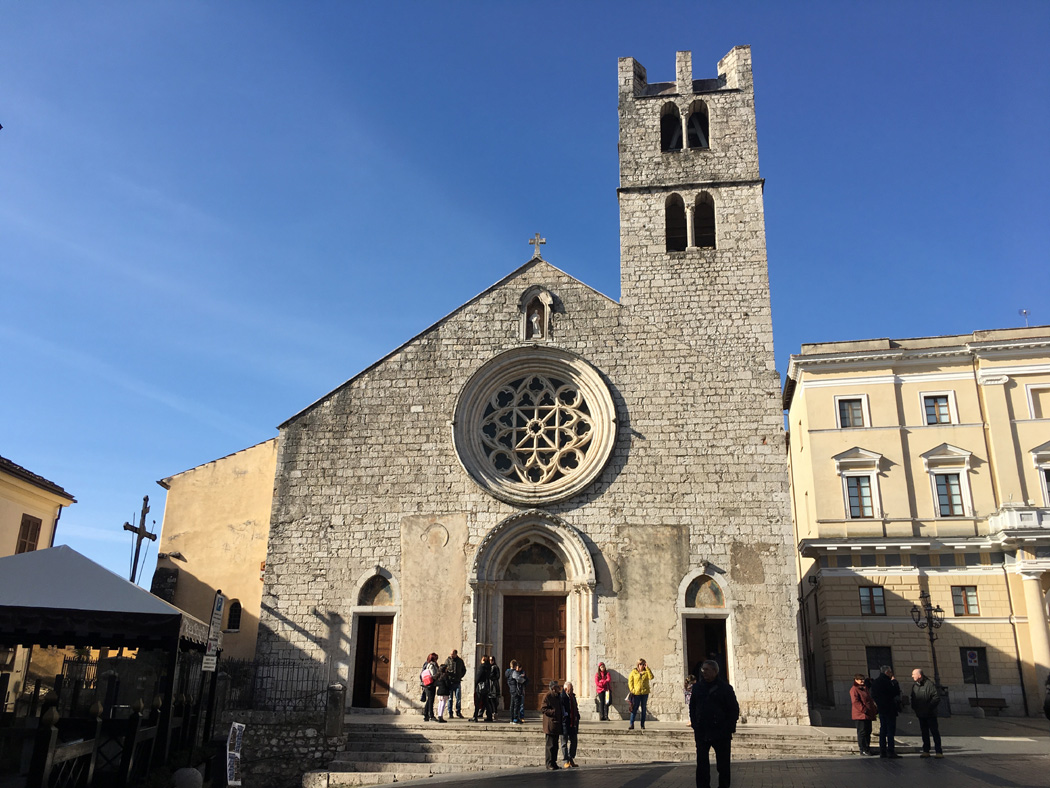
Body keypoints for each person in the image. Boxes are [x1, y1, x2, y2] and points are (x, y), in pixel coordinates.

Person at [689, 660, 739, 788]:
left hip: (721, 731)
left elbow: (733, 709)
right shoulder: (698, 687)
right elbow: (692, 707)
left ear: (715, 671)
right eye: (703, 669)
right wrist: (695, 724)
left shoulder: (725, 688)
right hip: (702, 731)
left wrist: (729, 728)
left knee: (723, 765)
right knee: (702, 764)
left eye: (707, 669)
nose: (704, 672)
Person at [870, 665, 901, 758]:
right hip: (890, 708)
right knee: (890, 731)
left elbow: (873, 695)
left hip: (881, 709)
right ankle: (891, 751)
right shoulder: (888, 682)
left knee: (883, 730)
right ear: (887, 672)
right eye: (890, 672)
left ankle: (882, 751)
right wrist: (895, 682)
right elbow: (895, 692)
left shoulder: (875, 682)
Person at [910, 668, 943, 758]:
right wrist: (915, 708)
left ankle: (938, 751)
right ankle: (926, 750)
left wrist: (929, 708)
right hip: (921, 714)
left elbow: (936, 698)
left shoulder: (929, 685)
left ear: (919, 676)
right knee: (924, 732)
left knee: (934, 732)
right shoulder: (915, 686)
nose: (912, 676)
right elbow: (913, 698)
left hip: (930, 714)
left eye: (914, 674)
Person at [849, 673, 878, 756]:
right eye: (860, 679)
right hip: (860, 715)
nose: (862, 681)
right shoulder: (854, 689)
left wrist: (873, 709)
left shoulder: (864, 688)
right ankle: (863, 749)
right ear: (856, 680)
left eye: (863, 679)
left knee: (868, 731)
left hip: (868, 714)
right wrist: (864, 710)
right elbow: (855, 702)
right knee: (862, 732)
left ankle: (867, 748)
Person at [541, 680, 564, 770]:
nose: (559, 688)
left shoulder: (558, 696)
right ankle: (549, 763)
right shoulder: (548, 696)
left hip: (557, 724)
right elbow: (543, 708)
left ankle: (554, 762)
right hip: (550, 725)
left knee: (555, 745)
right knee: (550, 745)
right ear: (554, 688)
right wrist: (553, 712)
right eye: (558, 687)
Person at [628, 657, 654, 730]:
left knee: (643, 708)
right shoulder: (633, 672)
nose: (642, 665)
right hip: (636, 693)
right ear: (638, 665)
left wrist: (647, 668)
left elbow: (651, 677)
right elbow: (630, 681)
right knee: (634, 708)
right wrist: (632, 689)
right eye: (640, 664)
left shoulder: (646, 672)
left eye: (643, 664)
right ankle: (631, 723)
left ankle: (642, 725)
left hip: (644, 693)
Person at [560, 681, 580, 768]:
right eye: (570, 689)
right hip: (565, 723)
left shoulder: (573, 697)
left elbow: (575, 707)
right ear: (566, 689)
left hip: (573, 723)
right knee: (564, 742)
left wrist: (577, 716)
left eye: (572, 689)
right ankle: (566, 760)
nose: (572, 690)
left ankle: (571, 757)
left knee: (574, 741)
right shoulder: (562, 697)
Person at [444, 649, 467, 718]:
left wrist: (460, 676)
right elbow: (444, 670)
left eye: (452, 654)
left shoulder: (460, 661)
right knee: (450, 698)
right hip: (450, 682)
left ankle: (458, 711)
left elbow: (464, 670)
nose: (451, 655)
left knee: (458, 698)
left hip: (457, 682)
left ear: (456, 654)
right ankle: (450, 712)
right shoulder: (447, 661)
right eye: (451, 654)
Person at [470, 655, 491, 722]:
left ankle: (475, 716)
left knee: (478, 701)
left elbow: (478, 677)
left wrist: (475, 685)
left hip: (480, 686)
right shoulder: (489, 667)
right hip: (486, 686)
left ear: (483, 660)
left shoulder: (482, 667)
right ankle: (489, 716)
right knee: (486, 702)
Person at [420, 652, 439, 722]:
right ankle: (431, 715)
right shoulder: (432, 665)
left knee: (429, 700)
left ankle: (426, 715)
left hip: (426, 684)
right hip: (431, 684)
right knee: (431, 700)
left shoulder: (426, 664)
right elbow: (433, 675)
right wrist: (438, 674)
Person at [506, 660, 526, 724]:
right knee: (516, 704)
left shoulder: (508, 672)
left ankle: (511, 718)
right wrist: (523, 678)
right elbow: (518, 679)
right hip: (516, 690)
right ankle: (515, 718)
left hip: (511, 689)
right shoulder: (513, 672)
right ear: (515, 666)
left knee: (512, 704)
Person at [487, 656, 501, 721]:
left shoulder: (495, 667)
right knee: (489, 700)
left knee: (493, 700)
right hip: (489, 685)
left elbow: (497, 676)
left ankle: (495, 713)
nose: (490, 661)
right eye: (489, 660)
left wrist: (491, 676)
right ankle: (490, 713)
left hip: (493, 686)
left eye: (491, 660)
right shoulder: (488, 667)